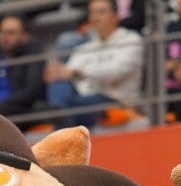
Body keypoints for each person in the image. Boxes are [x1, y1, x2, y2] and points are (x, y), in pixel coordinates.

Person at [44, 0, 144, 128]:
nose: (96, 17)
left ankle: (62, 124)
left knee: (73, 106)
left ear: (115, 16)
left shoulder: (131, 40)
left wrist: (79, 73)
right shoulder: (83, 48)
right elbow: (67, 72)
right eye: (92, 13)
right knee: (59, 84)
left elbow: (115, 71)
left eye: (101, 12)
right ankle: (60, 115)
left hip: (115, 101)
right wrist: (55, 73)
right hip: (81, 100)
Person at [0, 15, 46, 121]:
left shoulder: (33, 55)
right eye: (2, 33)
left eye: (10, 33)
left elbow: (32, 90)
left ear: (23, 35)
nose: (5, 37)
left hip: (19, 113)